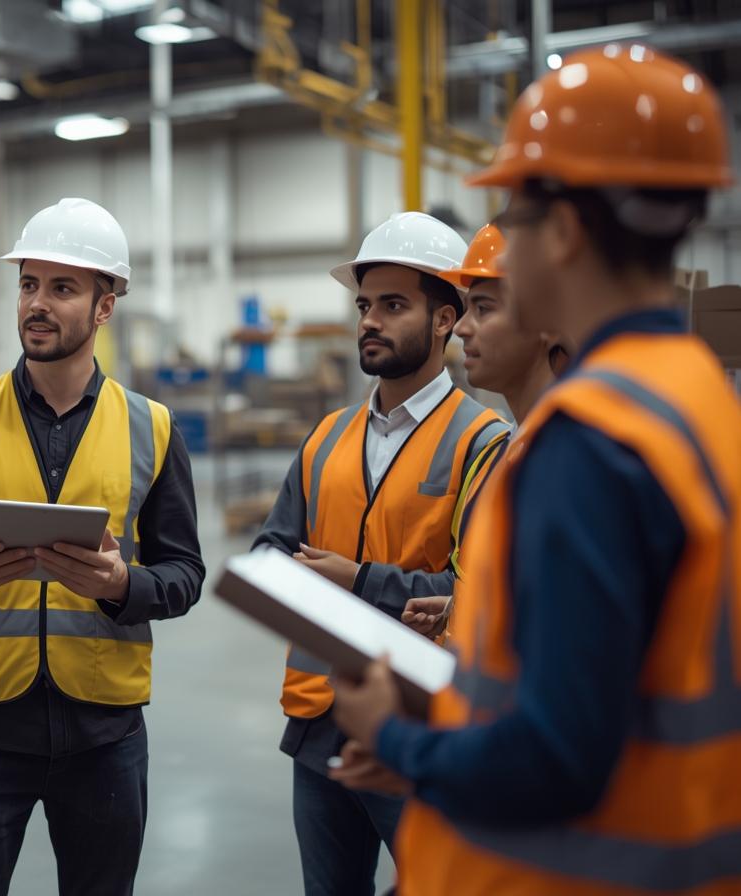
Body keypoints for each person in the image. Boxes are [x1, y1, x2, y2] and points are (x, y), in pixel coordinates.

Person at [331, 44, 741, 895]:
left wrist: (394, 737)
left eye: (519, 216)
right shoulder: (698, 404)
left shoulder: (589, 442)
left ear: (569, 233)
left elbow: (557, 759)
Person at [0, 197, 205, 896]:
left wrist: (123, 585)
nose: (38, 303)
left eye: (62, 288)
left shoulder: (153, 427)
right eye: (29, 284)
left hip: (105, 735)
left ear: (104, 306)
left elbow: (185, 573)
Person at [251, 211, 507, 896]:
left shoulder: (485, 442)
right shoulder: (327, 438)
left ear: (446, 319)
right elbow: (269, 558)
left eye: (393, 305)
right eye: (365, 304)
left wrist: (354, 579)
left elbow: (472, 591)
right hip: (317, 721)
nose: (369, 320)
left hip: (421, 727)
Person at [396, 223, 572, 639]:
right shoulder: (504, 449)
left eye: (484, 308)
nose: (461, 327)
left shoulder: (565, 461)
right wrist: (461, 608)